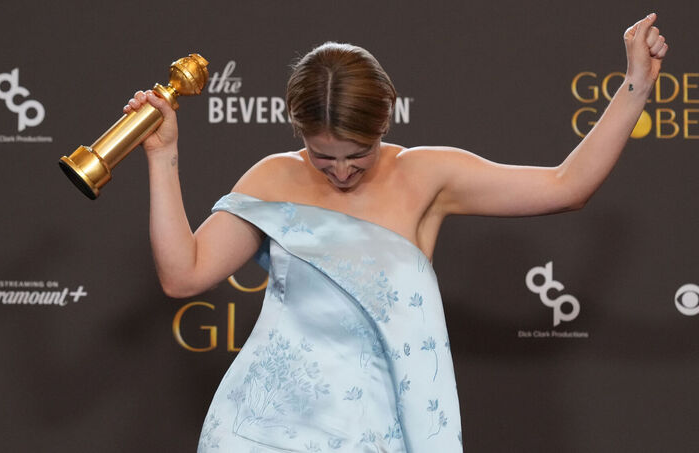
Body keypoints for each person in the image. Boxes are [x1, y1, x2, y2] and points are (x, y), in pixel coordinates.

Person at [124, 13, 668, 452]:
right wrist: (163, 155)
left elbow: (566, 186)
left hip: (372, 433)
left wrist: (637, 83)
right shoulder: (272, 178)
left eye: (358, 155)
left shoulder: (428, 176)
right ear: (298, 131)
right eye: (322, 156)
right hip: (256, 433)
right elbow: (183, 274)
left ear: (386, 117)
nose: (340, 171)